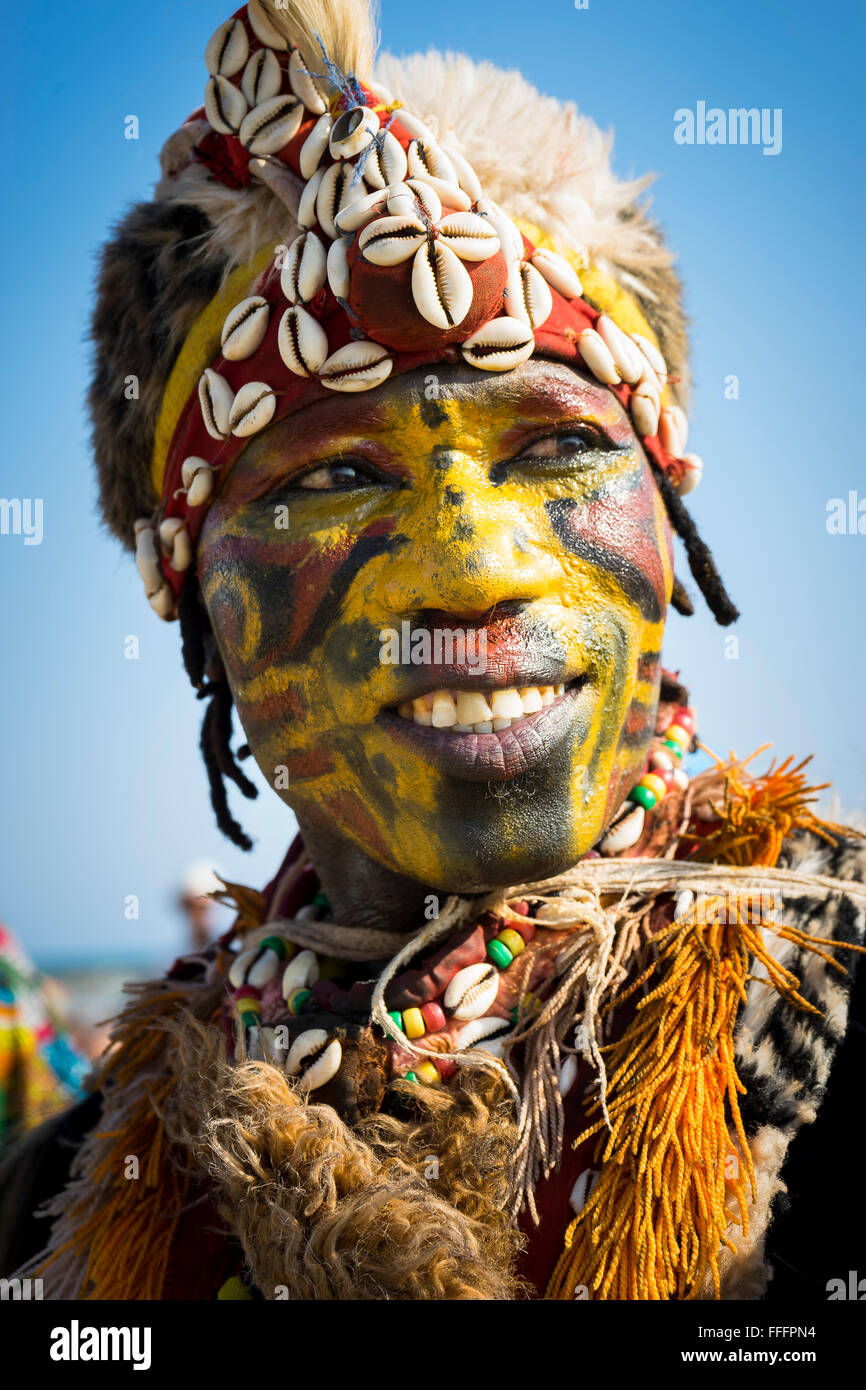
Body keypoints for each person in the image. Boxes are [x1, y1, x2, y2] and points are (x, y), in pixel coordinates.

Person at [1, 0, 863, 1301]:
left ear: (667, 526)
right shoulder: (84, 1201)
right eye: (337, 474)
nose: (471, 564)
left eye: (558, 446)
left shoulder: (816, 1022)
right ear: (195, 596)